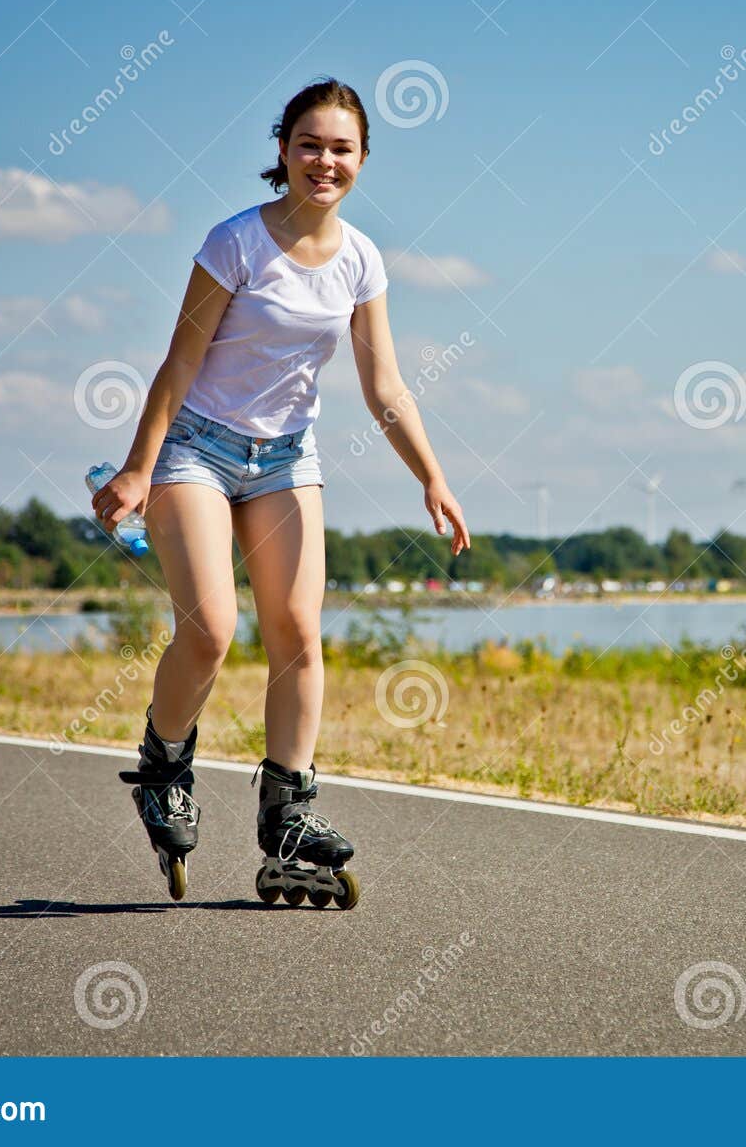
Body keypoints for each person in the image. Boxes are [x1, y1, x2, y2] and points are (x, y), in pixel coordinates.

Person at [91, 78, 471, 901]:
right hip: (194, 448)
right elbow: (180, 361)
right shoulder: (234, 243)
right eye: (309, 144)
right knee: (212, 630)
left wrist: (432, 477)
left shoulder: (363, 260)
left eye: (341, 148)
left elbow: (386, 388)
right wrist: (137, 465)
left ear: (363, 159)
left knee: (298, 628)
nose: (324, 160)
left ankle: (289, 814)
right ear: (282, 152)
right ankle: (164, 765)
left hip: (286, 460)